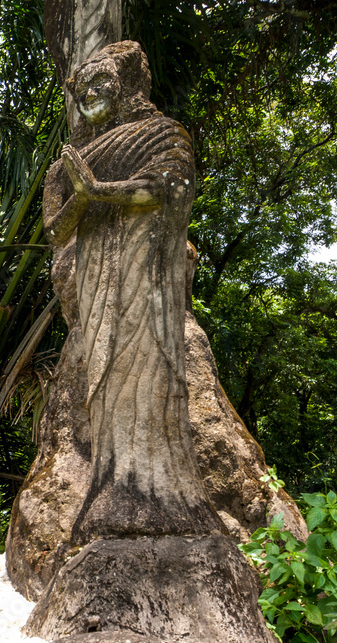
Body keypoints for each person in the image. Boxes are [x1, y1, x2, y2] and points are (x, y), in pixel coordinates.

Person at [42, 41, 221, 541]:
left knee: (146, 374)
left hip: (145, 282)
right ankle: (108, 484)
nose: (90, 95)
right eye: (82, 90)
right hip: (97, 282)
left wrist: (99, 191)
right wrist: (83, 197)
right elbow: (56, 231)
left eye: (101, 83)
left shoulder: (163, 135)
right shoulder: (68, 162)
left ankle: (157, 492)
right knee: (103, 377)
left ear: (124, 86)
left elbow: (167, 190)